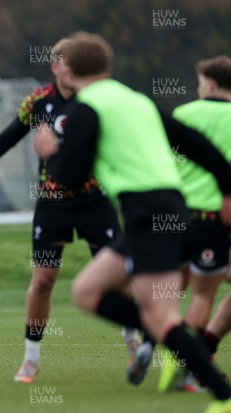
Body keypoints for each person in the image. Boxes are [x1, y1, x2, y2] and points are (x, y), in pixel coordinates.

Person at [34, 32, 231, 413]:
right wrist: (226, 189)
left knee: (161, 318)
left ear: (69, 72)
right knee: (87, 291)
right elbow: (198, 145)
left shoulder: (86, 109)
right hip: (165, 209)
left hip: (150, 213)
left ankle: (222, 395)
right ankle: (167, 337)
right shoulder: (137, 100)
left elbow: (71, 178)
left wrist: (51, 152)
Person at [0, 39, 141, 385]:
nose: (73, 71)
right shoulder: (38, 102)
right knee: (44, 280)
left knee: (118, 278)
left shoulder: (94, 99)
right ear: (56, 67)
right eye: (67, 65)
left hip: (95, 200)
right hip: (53, 203)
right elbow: (6, 138)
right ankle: (31, 358)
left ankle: (133, 342)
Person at [169, 55, 231, 392]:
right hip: (217, 216)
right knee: (203, 294)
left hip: (174, 213)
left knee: (172, 288)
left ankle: (187, 350)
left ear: (208, 83)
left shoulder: (183, 114)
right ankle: (189, 364)